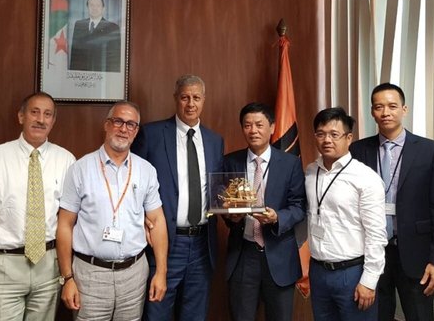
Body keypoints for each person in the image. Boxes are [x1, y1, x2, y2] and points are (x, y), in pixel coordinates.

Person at [0, 92, 76, 321]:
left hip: (48, 266)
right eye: (34, 112)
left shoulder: (67, 160)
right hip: (2, 267)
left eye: (47, 114)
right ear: (21, 116)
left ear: (53, 121)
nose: (41, 119)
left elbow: (70, 217)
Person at [56, 101, 168, 321]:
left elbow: (157, 220)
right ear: (106, 125)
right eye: (118, 121)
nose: (124, 129)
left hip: (134, 275)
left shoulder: (146, 170)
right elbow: (65, 224)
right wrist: (67, 278)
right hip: (90, 275)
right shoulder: (80, 169)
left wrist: (161, 271)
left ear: (136, 131)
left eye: (131, 124)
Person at [349, 83, 434, 321]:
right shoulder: (357, 150)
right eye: (379, 107)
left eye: (392, 106)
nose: (386, 112)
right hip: (371, 253)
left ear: (404, 109)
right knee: (376, 316)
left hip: (416, 255)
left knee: (419, 316)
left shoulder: (430, 150)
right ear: (372, 112)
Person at [131, 74, 224, 321]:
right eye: (185, 97)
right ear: (175, 99)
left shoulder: (215, 141)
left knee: (195, 315)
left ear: (204, 100)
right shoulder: (151, 134)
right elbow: (133, 181)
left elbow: (217, 191)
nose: (190, 104)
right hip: (165, 243)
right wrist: (140, 218)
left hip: (203, 244)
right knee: (157, 313)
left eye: (196, 98)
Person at [223, 102, 307, 321]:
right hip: (243, 253)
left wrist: (278, 217)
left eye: (259, 125)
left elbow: (299, 206)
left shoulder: (290, 163)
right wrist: (231, 216)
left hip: (279, 254)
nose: (253, 130)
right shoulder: (230, 162)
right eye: (247, 125)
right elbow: (224, 204)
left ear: (272, 127)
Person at [306, 107, 387, 321]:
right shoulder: (310, 172)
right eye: (321, 134)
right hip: (318, 270)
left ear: (349, 138)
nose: (327, 140)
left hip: (352, 273)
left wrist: (369, 281)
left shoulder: (365, 178)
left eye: (334, 134)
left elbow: (376, 234)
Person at [69, 0, 121, 72]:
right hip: (82, 74)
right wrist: (72, 73)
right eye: (91, 5)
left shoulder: (112, 27)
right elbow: (75, 54)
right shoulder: (79, 24)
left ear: (103, 9)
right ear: (87, 7)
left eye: (98, 5)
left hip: (102, 72)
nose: (94, 8)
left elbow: (115, 57)